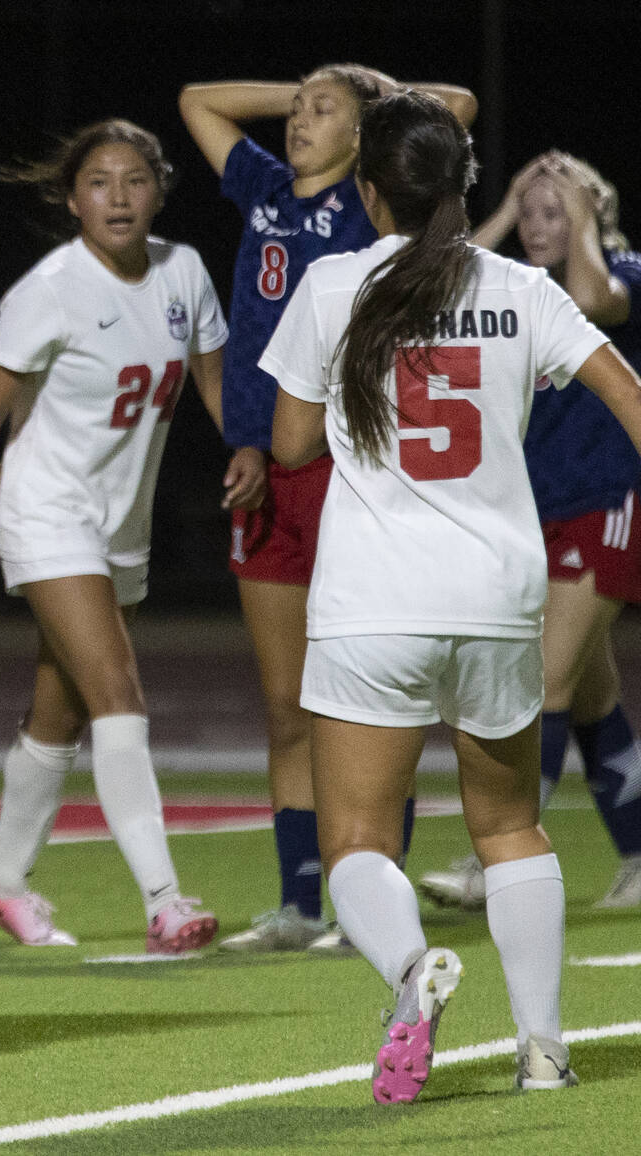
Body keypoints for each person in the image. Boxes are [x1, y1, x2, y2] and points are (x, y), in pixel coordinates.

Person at [266, 90, 641, 1100]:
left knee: (353, 837)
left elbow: (292, 442)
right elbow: (628, 395)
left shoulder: (333, 284)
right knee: (511, 825)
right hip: (498, 591)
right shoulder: (523, 287)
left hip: (373, 595)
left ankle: (409, 970)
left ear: (368, 189)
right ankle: (544, 1047)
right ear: (464, 185)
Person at [179, 67, 477, 953]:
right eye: (296, 111)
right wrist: (310, 90)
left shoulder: (364, 197)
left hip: (347, 463)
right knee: (286, 704)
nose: (300, 121)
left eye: (321, 114)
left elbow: (454, 108)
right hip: (268, 464)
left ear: (365, 141)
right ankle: (301, 903)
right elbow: (199, 100)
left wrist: (367, 94)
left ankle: (371, 904)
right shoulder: (265, 187)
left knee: (370, 693)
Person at [0, 119, 236, 954]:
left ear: (159, 190)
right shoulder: (50, 288)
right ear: (73, 199)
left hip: (120, 523)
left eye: (135, 179)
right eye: (100, 182)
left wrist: (254, 451)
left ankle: (0, 880)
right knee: (118, 691)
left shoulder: (183, 270)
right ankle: (165, 900)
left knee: (60, 712)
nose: (118, 195)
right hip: (45, 510)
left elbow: (216, 385)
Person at [420, 152, 641, 912]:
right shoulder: (509, 288)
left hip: (607, 502)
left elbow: (596, 297)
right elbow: (436, 279)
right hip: (539, 510)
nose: (541, 227)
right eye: (533, 214)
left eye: (557, 213)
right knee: (587, 699)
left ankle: (497, 859)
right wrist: (510, 206)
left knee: (542, 684)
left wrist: (581, 220)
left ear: (589, 216)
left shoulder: (623, 270)